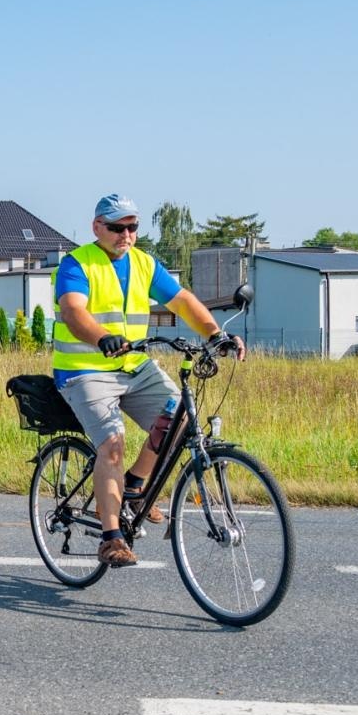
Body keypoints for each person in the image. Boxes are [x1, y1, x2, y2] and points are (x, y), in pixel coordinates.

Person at [53, 194, 245, 567]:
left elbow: (182, 301)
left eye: (132, 227)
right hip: (84, 370)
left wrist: (215, 334)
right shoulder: (77, 264)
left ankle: (135, 484)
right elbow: (74, 311)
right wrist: (101, 337)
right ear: (97, 228)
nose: (126, 235)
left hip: (133, 367)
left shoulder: (144, 264)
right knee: (112, 444)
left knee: (181, 416)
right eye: (116, 227)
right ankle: (111, 539)